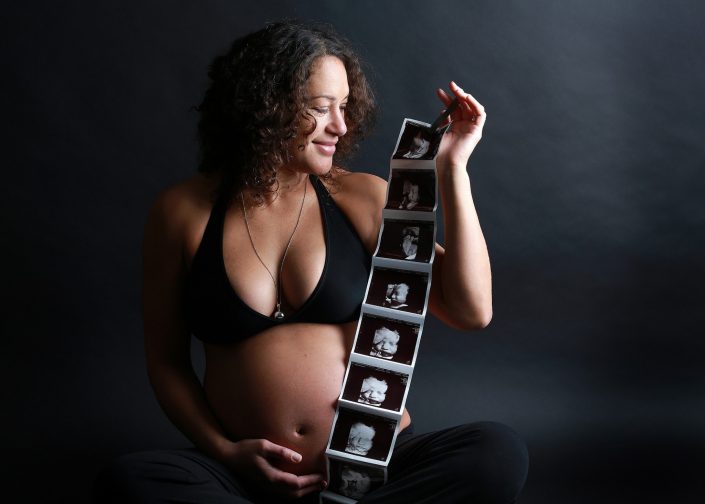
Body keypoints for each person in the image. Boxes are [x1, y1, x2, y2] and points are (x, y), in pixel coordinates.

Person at [93, 19, 528, 504]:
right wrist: (224, 450)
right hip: (240, 472)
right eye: (321, 108)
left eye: (344, 106)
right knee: (132, 478)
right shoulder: (181, 213)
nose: (340, 126)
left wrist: (452, 169)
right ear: (263, 108)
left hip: (375, 467)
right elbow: (167, 362)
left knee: (494, 452)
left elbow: (471, 311)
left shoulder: (360, 198)